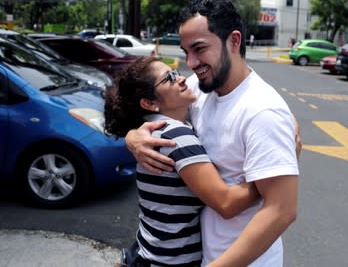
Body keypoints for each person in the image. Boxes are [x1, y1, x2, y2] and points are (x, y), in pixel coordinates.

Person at [125, 0, 300, 266]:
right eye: (186, 52)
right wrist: (133, 137)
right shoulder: (199, 89)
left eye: (199, 49)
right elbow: (160, 111)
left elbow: (281, 210)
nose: (191, 63)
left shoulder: (263, 111)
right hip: (203, 255)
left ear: (234, 41)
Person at [104, 56, 260, 266]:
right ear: (150, 103)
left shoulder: (155, 129)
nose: (181, 78)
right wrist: (267, 181)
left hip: (149, 253)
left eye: (176, 72)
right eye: (169, 77)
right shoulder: (175, 136)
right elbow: (226, 203)